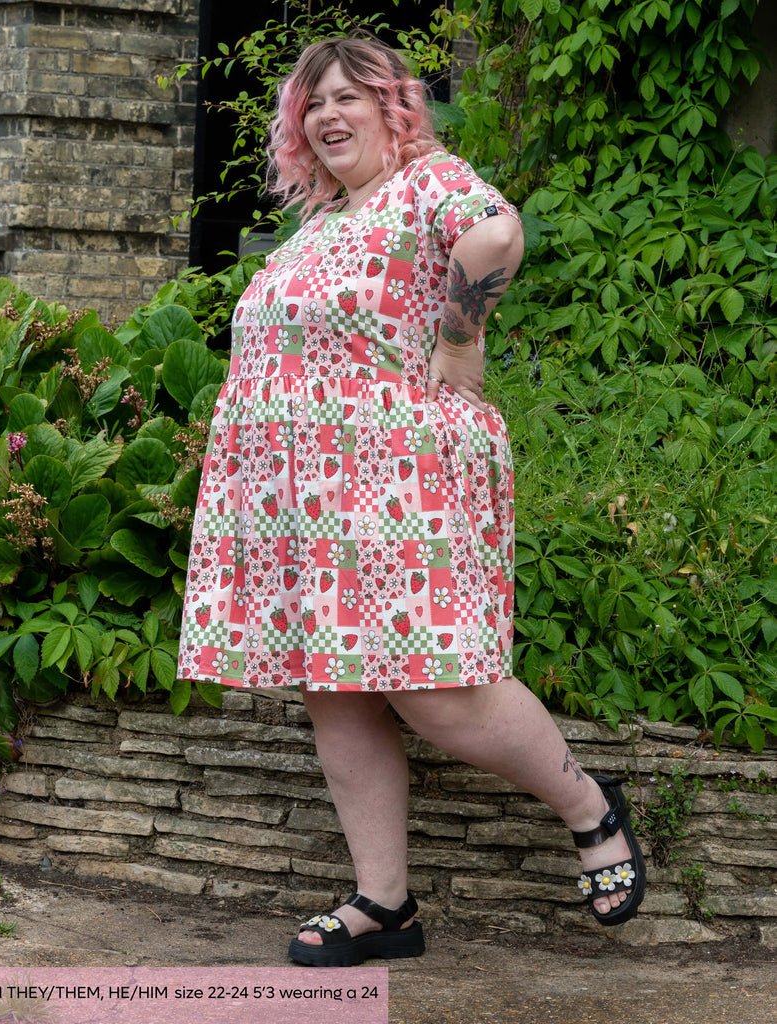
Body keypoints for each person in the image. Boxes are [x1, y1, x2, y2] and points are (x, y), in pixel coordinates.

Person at [177, 34, 645, 967]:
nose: (328, 115)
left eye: (348, 96)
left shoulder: (426, 182)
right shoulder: (324, 218)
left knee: (438, 689)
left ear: (393, 108)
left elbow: (496, 234)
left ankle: (590, 809)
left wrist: (459, 339)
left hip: (396, 487)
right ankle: (384, 904)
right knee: (335, 692)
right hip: (307, 502)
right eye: (313, 103)